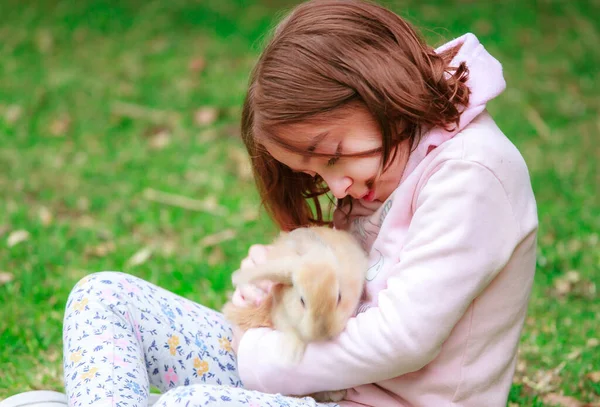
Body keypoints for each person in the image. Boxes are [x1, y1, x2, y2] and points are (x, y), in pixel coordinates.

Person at [5, 0, 538, 406]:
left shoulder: (471, 174)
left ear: (376, 89)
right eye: (315, 174)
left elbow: (403, 339)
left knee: (191, 403)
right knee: (102, 296)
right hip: (315, 387)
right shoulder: (383, 163)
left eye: (332, 155)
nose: (337, 189)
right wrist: (275, 294)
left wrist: (259, 352)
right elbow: (344, 300)